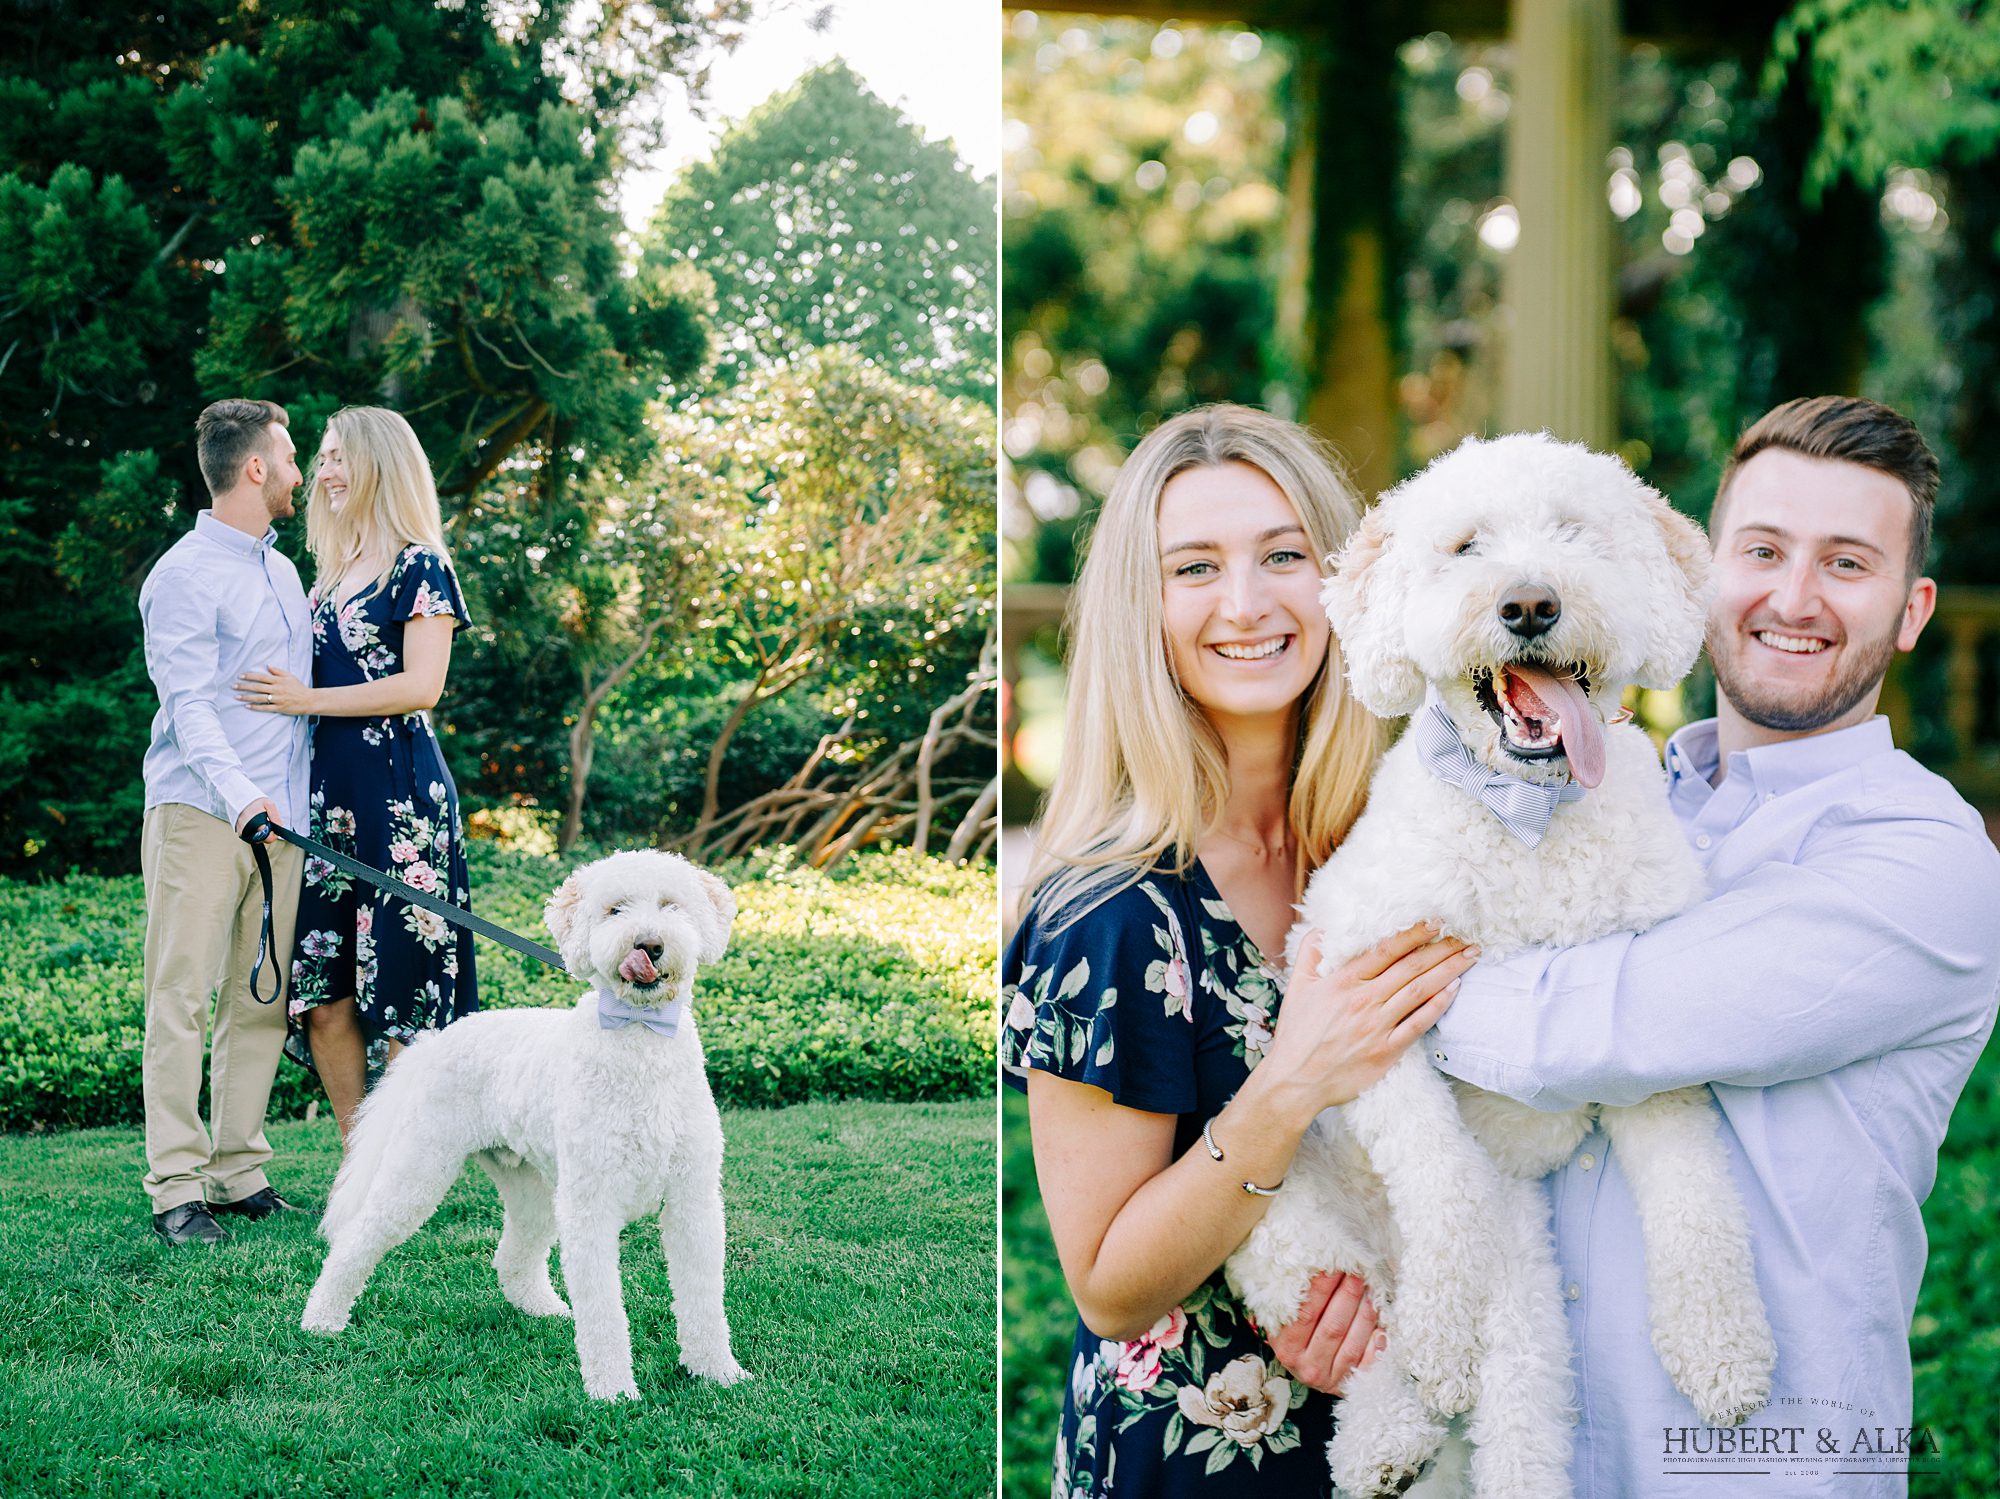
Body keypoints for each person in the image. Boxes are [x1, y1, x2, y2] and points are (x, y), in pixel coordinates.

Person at [1428, 396, 2000, 1497]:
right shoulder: (1594, 797)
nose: (1792, 597)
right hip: (1519, 1455)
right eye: (1762, 550)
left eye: (1845, 561)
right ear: (1698, 572)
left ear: (1911, 607)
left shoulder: (1927, 861)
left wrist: (1360, 982)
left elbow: (1585, 1032)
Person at [1001, 405, 1476, 1497]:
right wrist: (1295, 1076)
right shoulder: (1106, 912)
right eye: (1193, 568)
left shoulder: (1397, 841)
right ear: (1141, 606)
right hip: (1197, 1460)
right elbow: (1108, 1285)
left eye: (1282, 555)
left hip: (1418, 1419)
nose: (1247, 603)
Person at [238, 405, 478, 1147]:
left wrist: (308, 699)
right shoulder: (332, 572)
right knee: (322, 993)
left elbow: (422, 686)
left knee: (401, 990)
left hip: (401, 800)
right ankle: (360, 1158)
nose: (326, 471)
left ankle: (401, 1161)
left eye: (341, 455)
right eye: (323, 456)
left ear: (380, 462)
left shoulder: (419, 564)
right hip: (328, 802)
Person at [138, 397, 311, 1245]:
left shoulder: (284, 571)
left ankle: (238, 1170)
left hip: (283, 826)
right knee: (180, 996)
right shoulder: (181, 574)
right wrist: (242, 797)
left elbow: (295, 708)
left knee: (258, 1001)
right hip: (203, 813)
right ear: (254, 468)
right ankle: (176, 1185)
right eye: (289, 458)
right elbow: (190, 706)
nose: (299, 473)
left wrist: (289, 811)